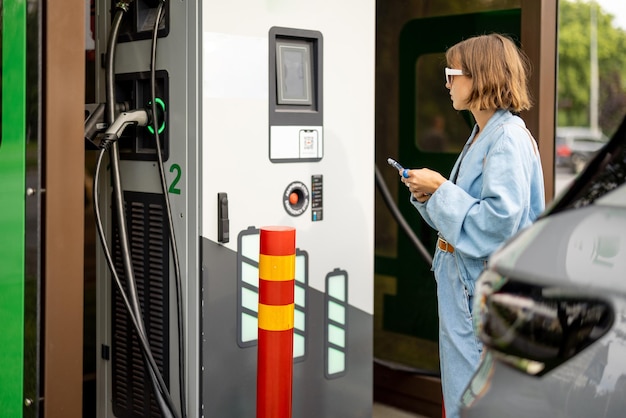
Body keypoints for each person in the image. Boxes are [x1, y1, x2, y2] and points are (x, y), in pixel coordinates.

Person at [398, 33, 545, 418]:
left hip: (481, 295)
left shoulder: (507, 138)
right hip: (466, 289)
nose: (446, 84)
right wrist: (428, 193)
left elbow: (496, 223)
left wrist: (441, 189)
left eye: (451, 74)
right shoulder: (483, 133)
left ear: (480, 76)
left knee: (476, 398)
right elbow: (462, 218)